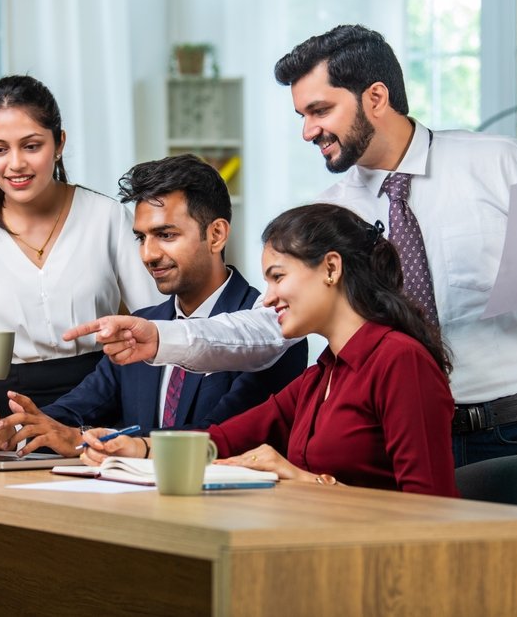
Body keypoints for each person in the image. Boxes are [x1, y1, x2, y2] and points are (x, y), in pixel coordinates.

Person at [65, 24, 517, 468]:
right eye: (301, 115)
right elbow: (269, 327)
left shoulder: (497, 161)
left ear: (376, 97)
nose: (307, 130)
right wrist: (163, 335)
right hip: (393, 433)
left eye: (319, 110)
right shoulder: (330, 215)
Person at [80, 204, 459, 497]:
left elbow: (430, 508)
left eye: (278, 276)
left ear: (331, 268)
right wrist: (138, 448)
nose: (267, 298)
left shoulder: (399, 361)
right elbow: (224, 439)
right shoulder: (324, 374)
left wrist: (303, 480)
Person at [0, 154, 308, 456]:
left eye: (166, 234)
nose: (148, 254)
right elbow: (76, 409)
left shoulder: (278, 328)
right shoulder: (141, 325)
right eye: (141, 238)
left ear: (216, 235)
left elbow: (216, 437)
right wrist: (13, 428)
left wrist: (80, 440)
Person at [0, 75, 163, 412]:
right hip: (10, 412)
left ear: (59, 143)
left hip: (102, 399)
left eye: (32, 146)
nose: (15, 163)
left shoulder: (107, 218)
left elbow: (155, 322)